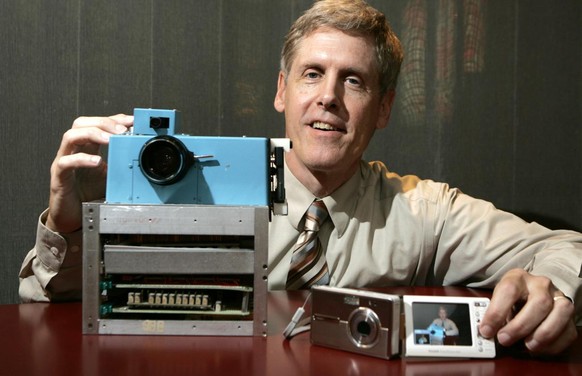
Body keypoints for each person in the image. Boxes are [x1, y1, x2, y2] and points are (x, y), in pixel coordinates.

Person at [19, 0, 580, 355]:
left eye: (354, 81)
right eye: (312, 74)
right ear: (283, 90)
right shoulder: (194, 187)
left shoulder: (423, 209)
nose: (329, 98)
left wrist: (551, 288)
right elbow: (51, 311)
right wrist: (70, 226)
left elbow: (566, 246)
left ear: (383, 109)